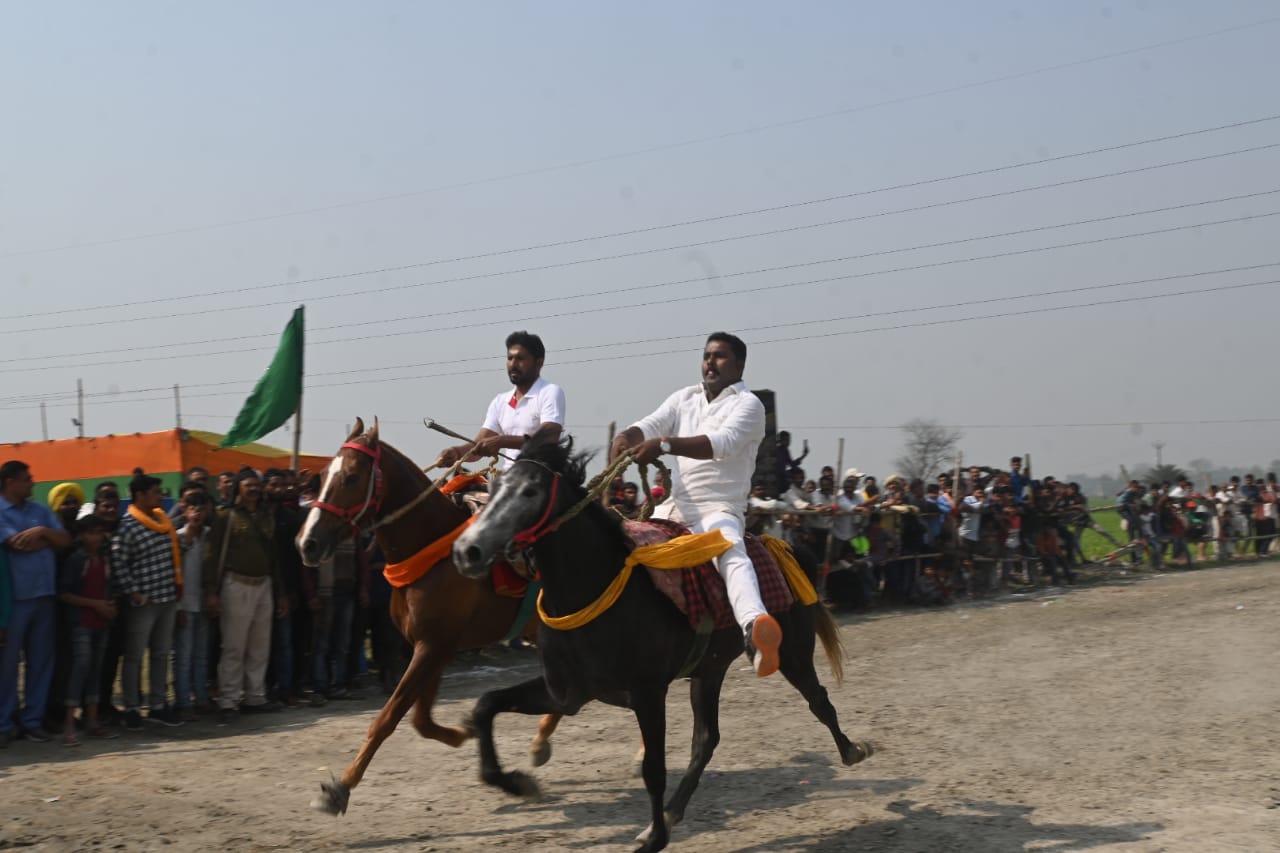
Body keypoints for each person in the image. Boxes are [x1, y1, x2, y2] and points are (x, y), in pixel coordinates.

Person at [610, 332, 782, 677]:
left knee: (730, 550)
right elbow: (651, 424)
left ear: (739, 365)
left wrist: (665, 445)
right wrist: (626, 438)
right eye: (707, 355)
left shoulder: (749, 404)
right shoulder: (684, 397)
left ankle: (754, 628)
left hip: (719, 508)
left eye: (719, 356)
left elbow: (724, 443)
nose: (710, 362)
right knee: (622, 544)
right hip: (674, 507)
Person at [0, 460, 71, 745]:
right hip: (15, 600)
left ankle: (33, 720)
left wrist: (42, 533)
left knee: (41, 662)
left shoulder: (40, 510)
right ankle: (4, 723)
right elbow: (16, 543)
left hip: (44, 596)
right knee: (7, 666)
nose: (32, 483)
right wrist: (46, 538)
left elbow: (64, 539)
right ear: (10, 482)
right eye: (27, 479)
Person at [206, 468, 286, 723]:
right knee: (234, 646)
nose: (254, 489)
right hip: (235, 584)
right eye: (248, 485)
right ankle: (228, 701)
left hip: (263, 584)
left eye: (256, 485)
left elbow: (275, 557)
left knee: (259, 646)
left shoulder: (265, 516)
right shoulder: (225, 516)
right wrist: (211, 592)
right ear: (238, 488)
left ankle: (255, 697)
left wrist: (280, 592)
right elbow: (212, 555)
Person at [112, 470, 184, 730]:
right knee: (134, 656)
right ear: (140, 495)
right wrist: (134, 592)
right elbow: (119, 563)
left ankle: (157, 705)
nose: (161, 495)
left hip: (166, 599)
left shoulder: (162, 520)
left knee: (161, 654)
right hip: (143, 603)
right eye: (155, 492)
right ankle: (132, 707)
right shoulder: (128, 525)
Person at [434, 331, 566, 472]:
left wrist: (502, 441)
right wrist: (456, 453)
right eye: (510, 358)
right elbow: (478, 446)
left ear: (539, 363)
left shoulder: (550, 392)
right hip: (510, 478)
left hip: (541, 477)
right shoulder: (500, 401)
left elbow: (549, 438)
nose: (513, 364)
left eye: (520, 359)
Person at [56, 515, 118, 745]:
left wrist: (109, 606)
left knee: (95, 670)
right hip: (82, 621)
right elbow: (64, 594)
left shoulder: (104, 558)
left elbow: (110, 587)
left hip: (101, 622)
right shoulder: (75, 560)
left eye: (99, 531)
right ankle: (69, 725)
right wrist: (96, 605)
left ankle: (92, 721)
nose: (97, 536)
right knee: (80, 669)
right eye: (92, 532)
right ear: (82, 535)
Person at [173, 491, 212, 718]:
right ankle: (183, 701)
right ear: (185, 511)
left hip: (203, 603)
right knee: (184, 656)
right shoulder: (177, 538)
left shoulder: (209, 536)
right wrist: (178, 607)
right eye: (192, 509)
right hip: (185, 604)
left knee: (200, 654)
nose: (196, 513)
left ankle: (202, 697)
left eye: (201, 509)